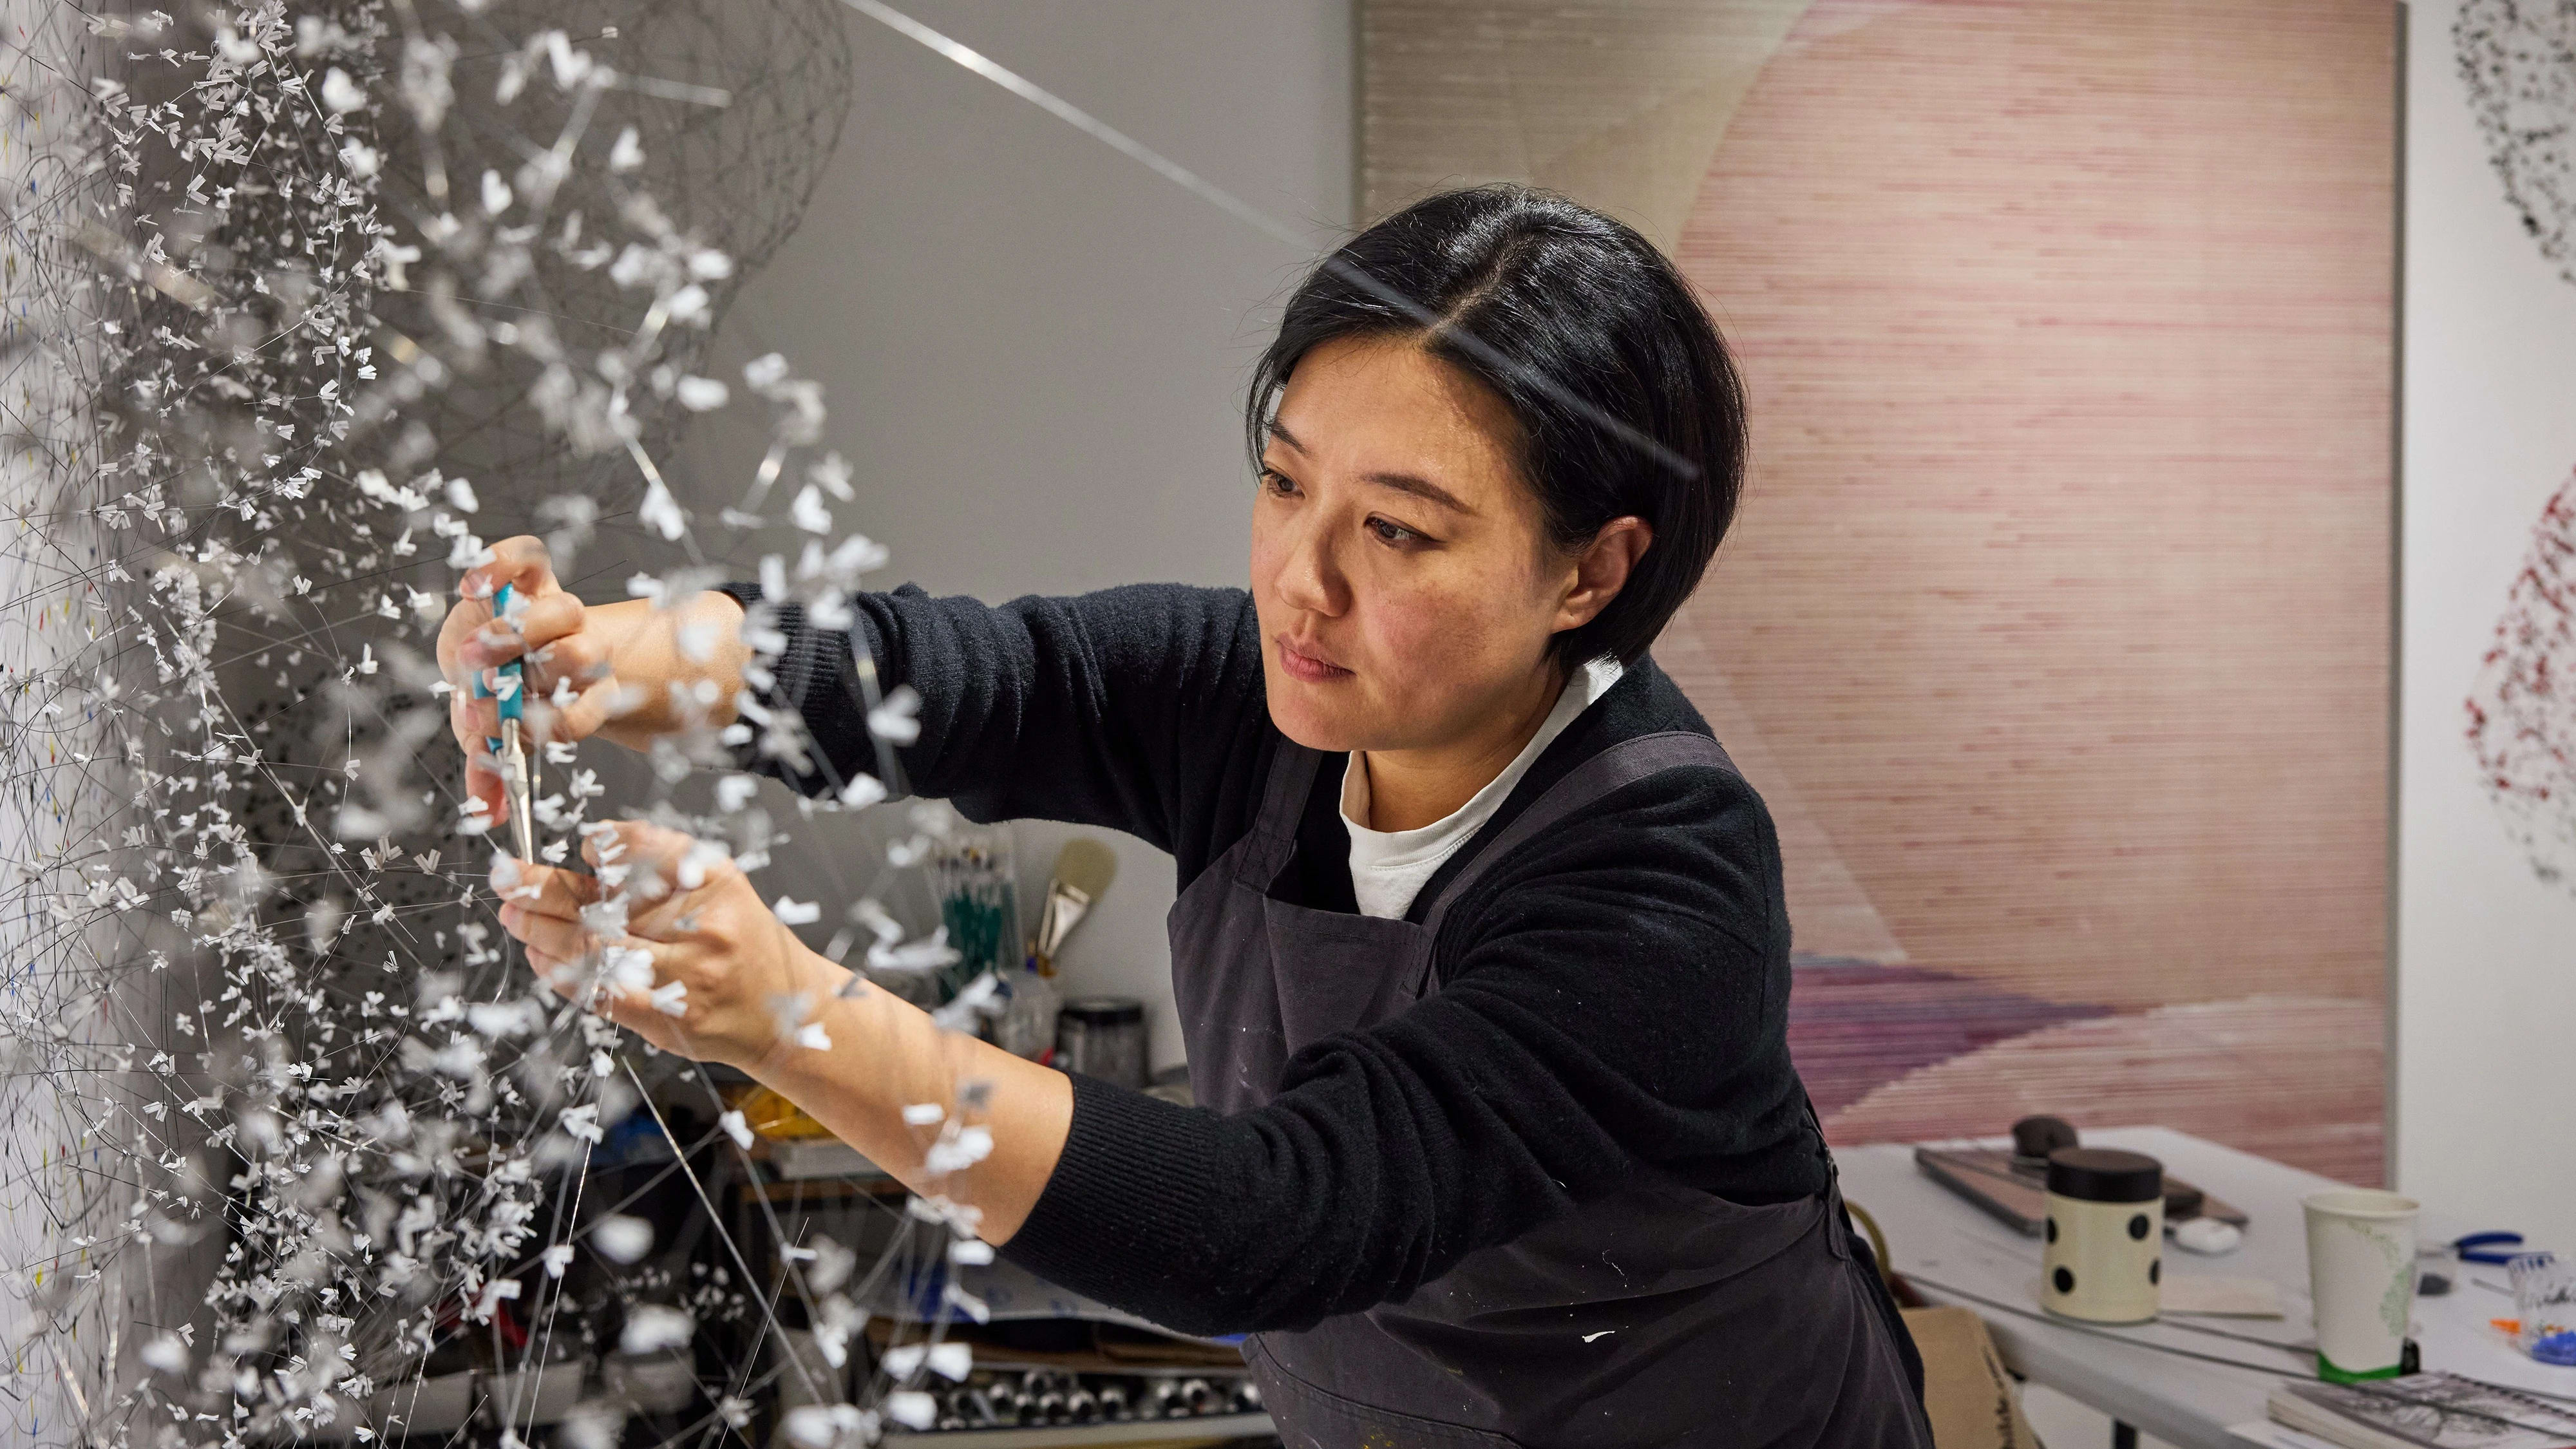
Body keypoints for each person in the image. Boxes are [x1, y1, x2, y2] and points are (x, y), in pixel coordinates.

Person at [444, 185, 1931, 1447]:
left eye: (1397, 530)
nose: (1303, 578)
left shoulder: (1662, 880)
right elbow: (953, 675)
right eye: (1285, 483)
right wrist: (609, 658)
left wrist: (791, 1022)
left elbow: (1267, 1224)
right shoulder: (1262, 691)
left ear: (1589, 575)